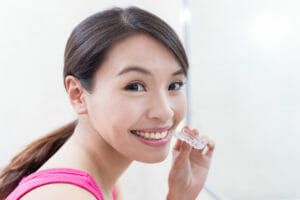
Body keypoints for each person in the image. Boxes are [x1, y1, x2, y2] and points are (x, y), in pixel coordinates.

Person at [0, 6, 215, 200]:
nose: (165, 112)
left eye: (174, 85)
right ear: (77, 94)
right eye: (135, 86)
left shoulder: (101, 182)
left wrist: (180, 196)